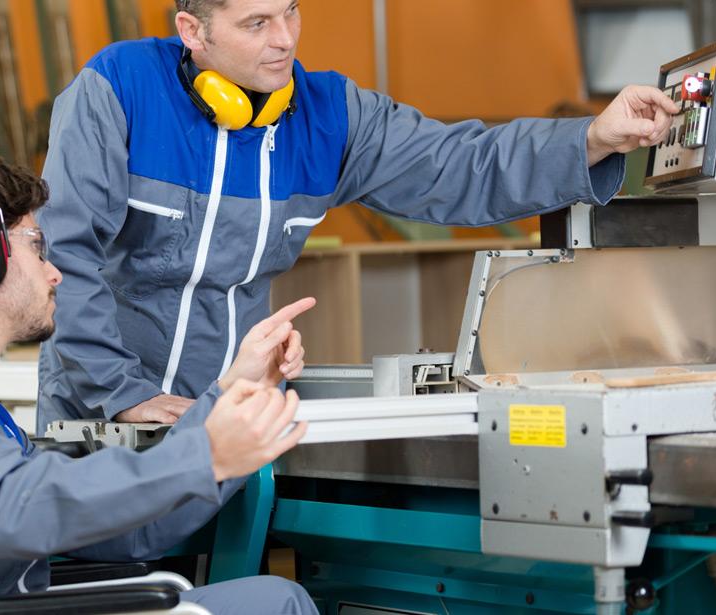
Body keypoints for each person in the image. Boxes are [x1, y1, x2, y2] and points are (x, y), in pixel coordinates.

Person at [35, 0, 679, 430]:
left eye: (290, 11)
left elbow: (462, 164)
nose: (284, 39)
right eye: (256, 24)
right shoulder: (116, 91)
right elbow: (64, 257)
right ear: (192, 31)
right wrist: (122, 398)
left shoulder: (329, 115)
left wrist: (592, 138)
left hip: (230, 424)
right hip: (98, 428)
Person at [0, 157, 318, 615]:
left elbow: (127, 534)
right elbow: (4, 508)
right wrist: (202, 456)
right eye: (37, 247)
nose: (55, 274)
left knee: (274, 599)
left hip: (5, 605)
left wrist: (233, 390)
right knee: (274, 603)